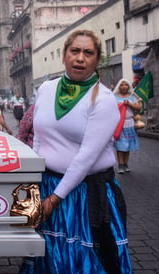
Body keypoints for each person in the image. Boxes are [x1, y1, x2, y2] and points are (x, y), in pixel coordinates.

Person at [20, 30, 132, 273]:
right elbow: (39, 137)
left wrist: (55, 198)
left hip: (83, 193)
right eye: (75, 51)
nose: (80, 58)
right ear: (64, 55)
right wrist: (33, 182)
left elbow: (86, 158)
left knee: (83, 260)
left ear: (97, 60)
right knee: (47, 254)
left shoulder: (103, 100)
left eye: (88, 53)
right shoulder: (46, 90)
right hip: (47, 186)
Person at [113, 78, 141, 174]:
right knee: (120, 145)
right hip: (119, 124)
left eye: (125, 85)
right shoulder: (114, 96)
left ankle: (125, 163)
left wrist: (129, 104)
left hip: (130, 124)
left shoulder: (132, 97)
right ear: (119, 86)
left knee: (127, 145)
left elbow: (138, 107)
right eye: (122, 85)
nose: (124, 87)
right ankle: (120, 164)